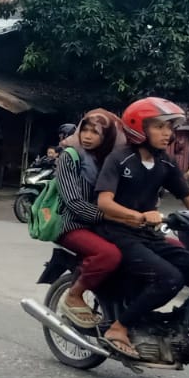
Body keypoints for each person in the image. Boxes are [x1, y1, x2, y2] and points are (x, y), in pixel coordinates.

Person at [92, 97, 189, 361]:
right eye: (159, 127)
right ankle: (119, 327)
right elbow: (104, 203)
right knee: (170, 278)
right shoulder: (119, 159)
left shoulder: (165, 163)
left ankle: (176, 325)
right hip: (117, 233)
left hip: (148, 234)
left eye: (170, 128)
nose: (167, 134)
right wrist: (139, 215)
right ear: (138, 128)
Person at [53, 110, 126, 328]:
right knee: (109, 255)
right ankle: (74, 295)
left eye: (95, 132)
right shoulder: (70, 157)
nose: (87, 136)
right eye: (84, 130)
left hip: (103, 225)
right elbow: (73, 201)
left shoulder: (111, 159)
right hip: (73, 225)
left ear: (108, 137)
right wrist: (107, 215)